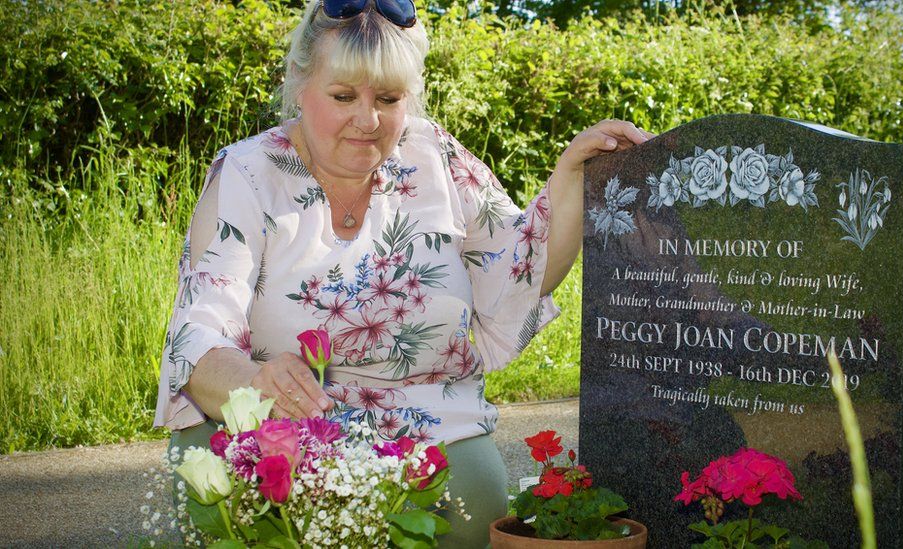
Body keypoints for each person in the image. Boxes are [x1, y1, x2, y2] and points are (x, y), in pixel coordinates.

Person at [153, 0, 650, 545]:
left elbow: (521, 268)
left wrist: (571, 176)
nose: (367, 120)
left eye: (388, 99)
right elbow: (199, 335)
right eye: (343, 96)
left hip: (430, 427)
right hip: (283, 433)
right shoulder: (247, 174)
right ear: (298, 84)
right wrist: (253, 382)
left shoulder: (432, 154)